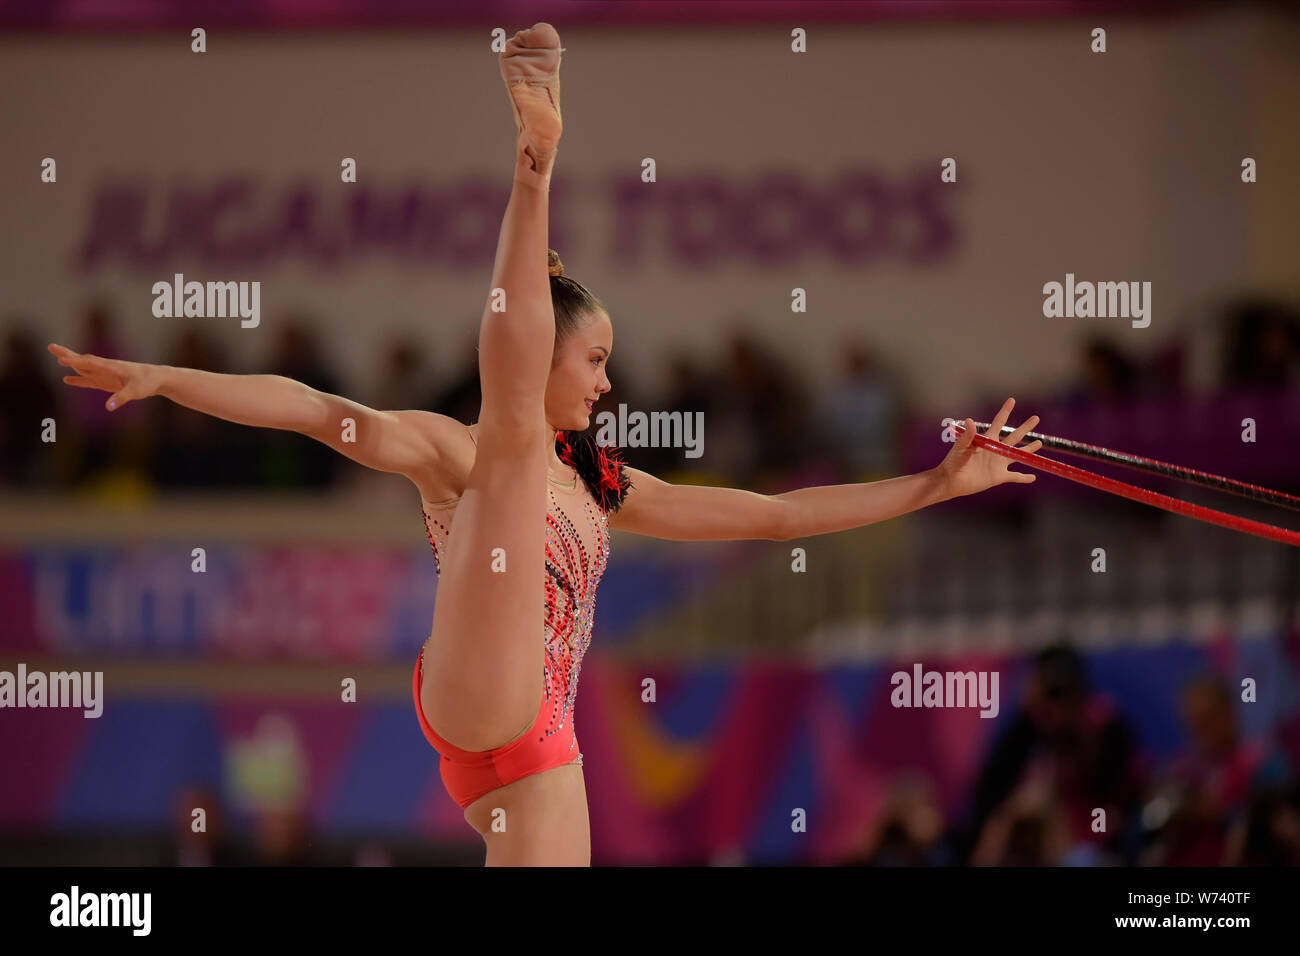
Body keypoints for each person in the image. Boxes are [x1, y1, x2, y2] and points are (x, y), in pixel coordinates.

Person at [48, 22, 1043, 866]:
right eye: (597, 358)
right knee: (512, 437)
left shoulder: (607, 484)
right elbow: (314, 408)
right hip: (480, 683)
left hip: (535, 742)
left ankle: (536, 165)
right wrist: (167, 377)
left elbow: (779, 513)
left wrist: (935, 485)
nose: (609, 382)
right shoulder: (457, 450)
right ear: (551, 349)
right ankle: (534, 163)